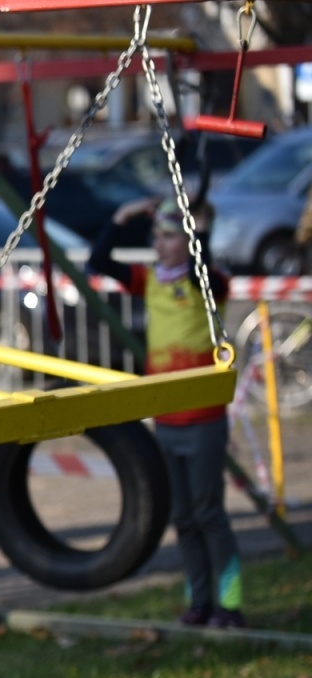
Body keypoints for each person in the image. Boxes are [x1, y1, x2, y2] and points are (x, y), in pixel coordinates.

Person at [89, 197, 244, 628]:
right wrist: (121, 216)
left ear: (191, 240)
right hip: (168, 419)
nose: (160, 244)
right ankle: (199, 601)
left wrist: (203, 230)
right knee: (184, 518)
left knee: (209, 513)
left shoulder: (208, 282)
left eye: (170, 235)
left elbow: (203, 270)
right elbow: (99, 260)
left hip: (205, 418)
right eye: (156, 236)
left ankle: (229, 605)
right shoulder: (151, 279)